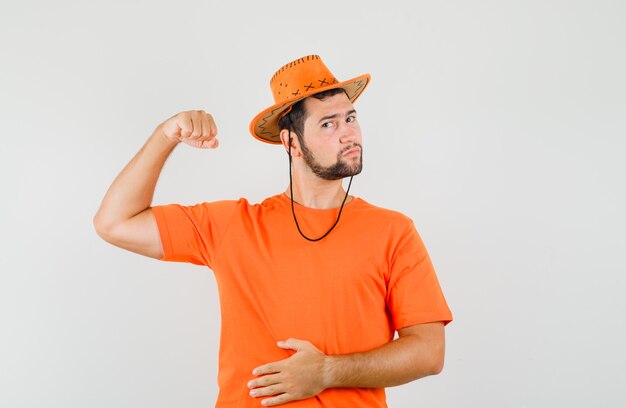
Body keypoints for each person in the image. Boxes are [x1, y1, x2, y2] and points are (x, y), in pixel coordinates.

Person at [93, 55, 453, 407]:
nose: (349, 134)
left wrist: (328, 372)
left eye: (350, 118)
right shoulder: (232, 225)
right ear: (291, 143)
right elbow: (115, 222)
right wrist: (165, 134)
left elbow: (429, 351)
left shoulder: (393, 231)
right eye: (328, 124)